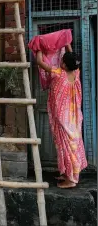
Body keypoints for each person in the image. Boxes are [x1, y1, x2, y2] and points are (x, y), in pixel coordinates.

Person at [36, 46, 87, 188]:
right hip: (74, 118)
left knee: (67, 148)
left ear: (64, 64)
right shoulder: (76, 73)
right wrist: (65, 44)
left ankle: (71, 180)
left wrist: (38, 46)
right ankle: (67, 173)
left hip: (63, 120)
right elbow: (72, 60)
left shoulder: (58, 74)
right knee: (70, 146)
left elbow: (40, 62)